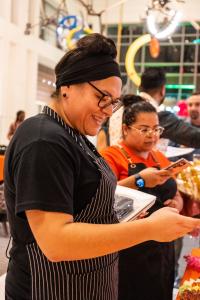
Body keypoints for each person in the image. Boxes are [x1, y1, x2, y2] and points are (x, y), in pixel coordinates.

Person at [4, 33, 200, 300]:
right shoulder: (43, 140)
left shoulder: (71, 134)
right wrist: (150, 229)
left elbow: (84, 197)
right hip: (51, 288)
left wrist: (140, 182)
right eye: (102, 97)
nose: (109, 111)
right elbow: (56, 241)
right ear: (67, 88)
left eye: (114, 101)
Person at [101, 96, 183, 300]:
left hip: (162, 246)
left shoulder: (159, 158)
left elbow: (177, 193)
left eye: (156, 129)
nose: (152, 135)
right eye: (144, 129)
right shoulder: (111, 156)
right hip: (129, 247)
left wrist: (176, 204)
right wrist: (139, 180)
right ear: (126, 129)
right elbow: (102, 194)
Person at [139, 67, 200, 148]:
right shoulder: (157, 115)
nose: (193, 108)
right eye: (190, 104)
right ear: (162, 90)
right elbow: (196, 138)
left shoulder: (124, 105)